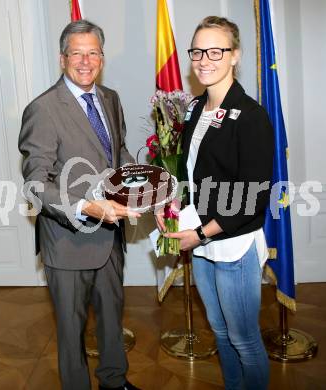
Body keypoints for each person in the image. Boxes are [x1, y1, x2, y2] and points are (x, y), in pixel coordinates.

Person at [19, 20, 141, 390]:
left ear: (102, 58)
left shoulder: (111, 99)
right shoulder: (43, 109)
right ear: (63, 58)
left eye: (93, 53)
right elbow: (36, 182)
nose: (85, 61)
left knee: (111, 318)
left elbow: (116, 152)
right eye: (77, 53)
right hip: (68, 240)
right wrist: (87, 207)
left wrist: (144, 183)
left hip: (111, 235)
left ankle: (114, 381)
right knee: (72, 331)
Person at [156, 16, 274, 390]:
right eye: (197, 51)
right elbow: (191, 175)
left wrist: (201, 236)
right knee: (221, 334)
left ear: (234, 55)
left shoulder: (251, 116)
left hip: (231, 244)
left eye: (215, 51)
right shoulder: (195, 108)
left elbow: (252, 198)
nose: (204, 59)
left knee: (244, 339)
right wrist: (168, 204)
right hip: (201, 238)